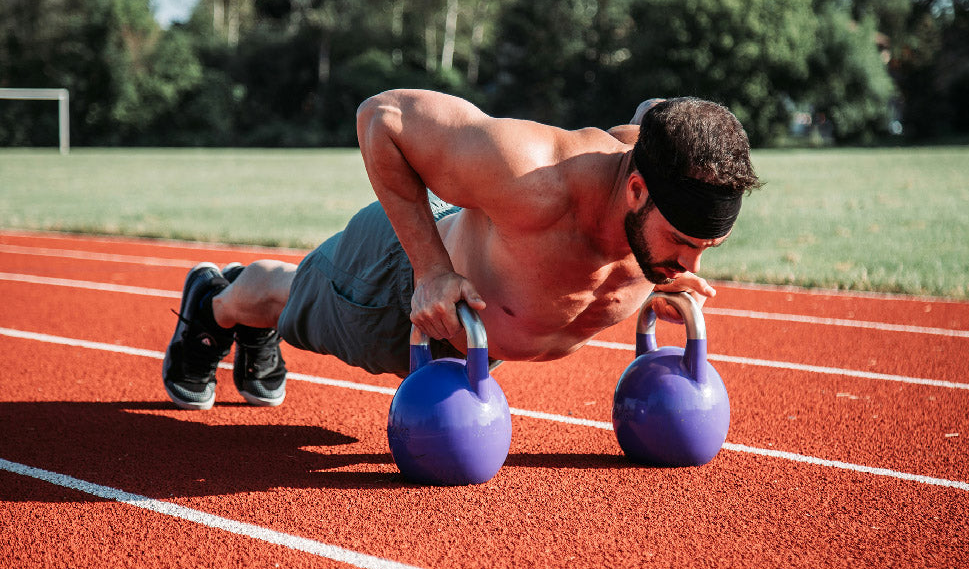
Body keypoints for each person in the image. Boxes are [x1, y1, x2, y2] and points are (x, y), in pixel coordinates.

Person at [162, 91, 762, 410]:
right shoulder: (533, 173)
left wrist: (660, 270)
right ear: (635, 190)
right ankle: (215, 304)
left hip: (476, 326)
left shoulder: (660, 169)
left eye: (707, 248)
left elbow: (653, 112)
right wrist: (430, 270)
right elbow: (382, 117)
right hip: (395, 286)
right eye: (683, 245)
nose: (692, 268)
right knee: (288, 298)